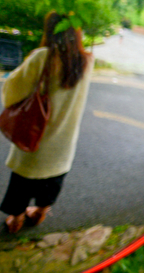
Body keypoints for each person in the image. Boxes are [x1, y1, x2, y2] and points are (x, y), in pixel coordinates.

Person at [1, 12, 95, 233]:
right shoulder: (87, 61)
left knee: (21, 185)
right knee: (52, 184)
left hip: (35, 140)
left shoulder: (42, 56)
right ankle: (40, 213)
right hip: (63, 144)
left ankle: (16, 220)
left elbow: (12, 93)